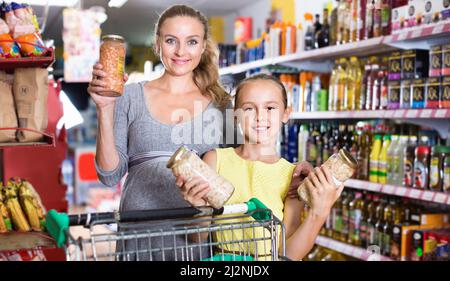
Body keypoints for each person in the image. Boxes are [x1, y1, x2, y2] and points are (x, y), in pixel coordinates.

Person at [88, 4, 312, 261]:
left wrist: (293, 171)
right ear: (157, 43)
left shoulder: (221, 103)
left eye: (191, 41)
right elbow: (109, 175)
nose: (181, 51)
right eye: (171, 40)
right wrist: (105, 108)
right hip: (140, 236)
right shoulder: (130, 96)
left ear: (203, 46)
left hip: (201, 242)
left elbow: (249, 161)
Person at [177, 74, 343, 261]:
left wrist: (319, 211)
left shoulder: (293, 177)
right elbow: (196, 237)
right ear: (235, 116)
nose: (260, 117)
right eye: (249, 108)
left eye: (270, 108)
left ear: (286, 114)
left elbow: (289, 254)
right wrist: (200, 207)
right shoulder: (215, 160)